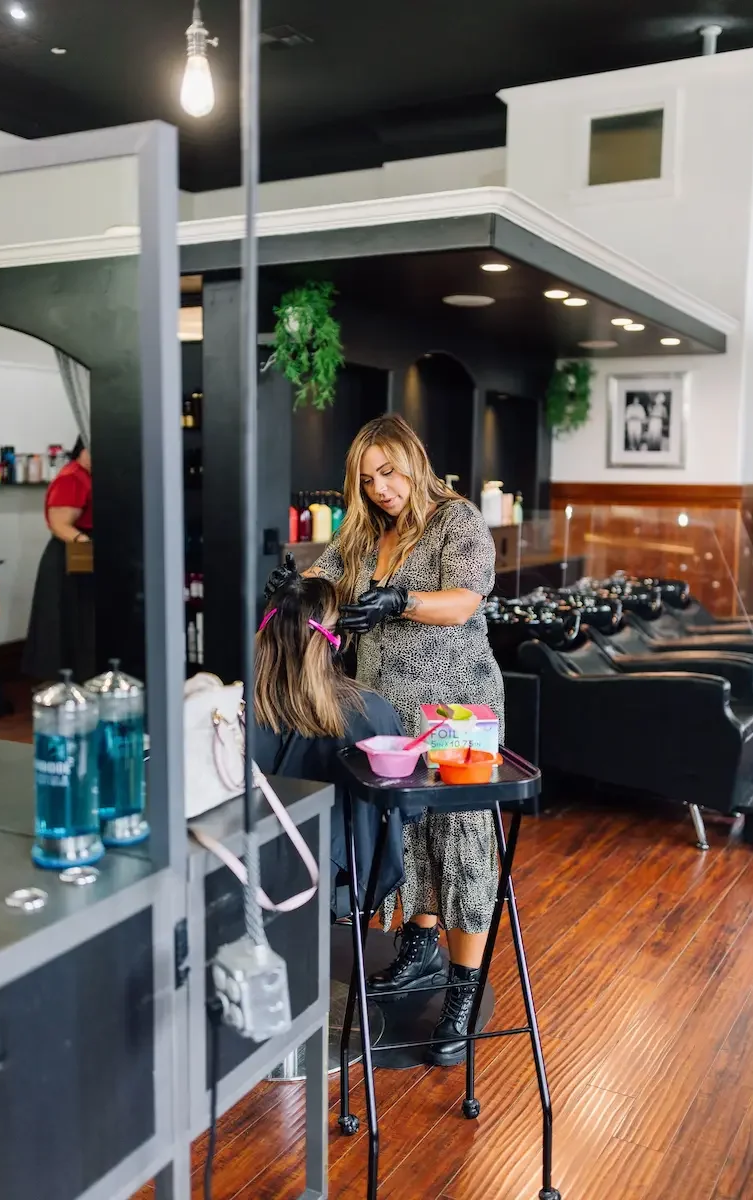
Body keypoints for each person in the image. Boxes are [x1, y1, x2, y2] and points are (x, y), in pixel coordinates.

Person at [267, 414, 504, 1067]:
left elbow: (464, 600)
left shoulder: (458, 521)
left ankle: (461, 991)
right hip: (387, 713)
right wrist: (294, 589)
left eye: (389, 474)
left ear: (414, 461)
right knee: (409, 833)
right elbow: (327, 581)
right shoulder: (367, 531)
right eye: (368, 480)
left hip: (457, 708)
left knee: (461, 848)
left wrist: (400, 601)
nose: (381, 489)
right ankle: (421, 949)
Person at [253, 573, 411, 916]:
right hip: (334, 883)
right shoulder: (369, 712)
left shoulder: (234, 709)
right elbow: (408, 807)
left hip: (245, 879)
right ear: (335, 638)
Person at [23, 436, 95, 682]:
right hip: (69, 558)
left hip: (82, 554)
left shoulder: (90, 476)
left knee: (85, 623)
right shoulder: (72, 477)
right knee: (69, 623)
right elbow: (59, 524)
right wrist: (88, 545)